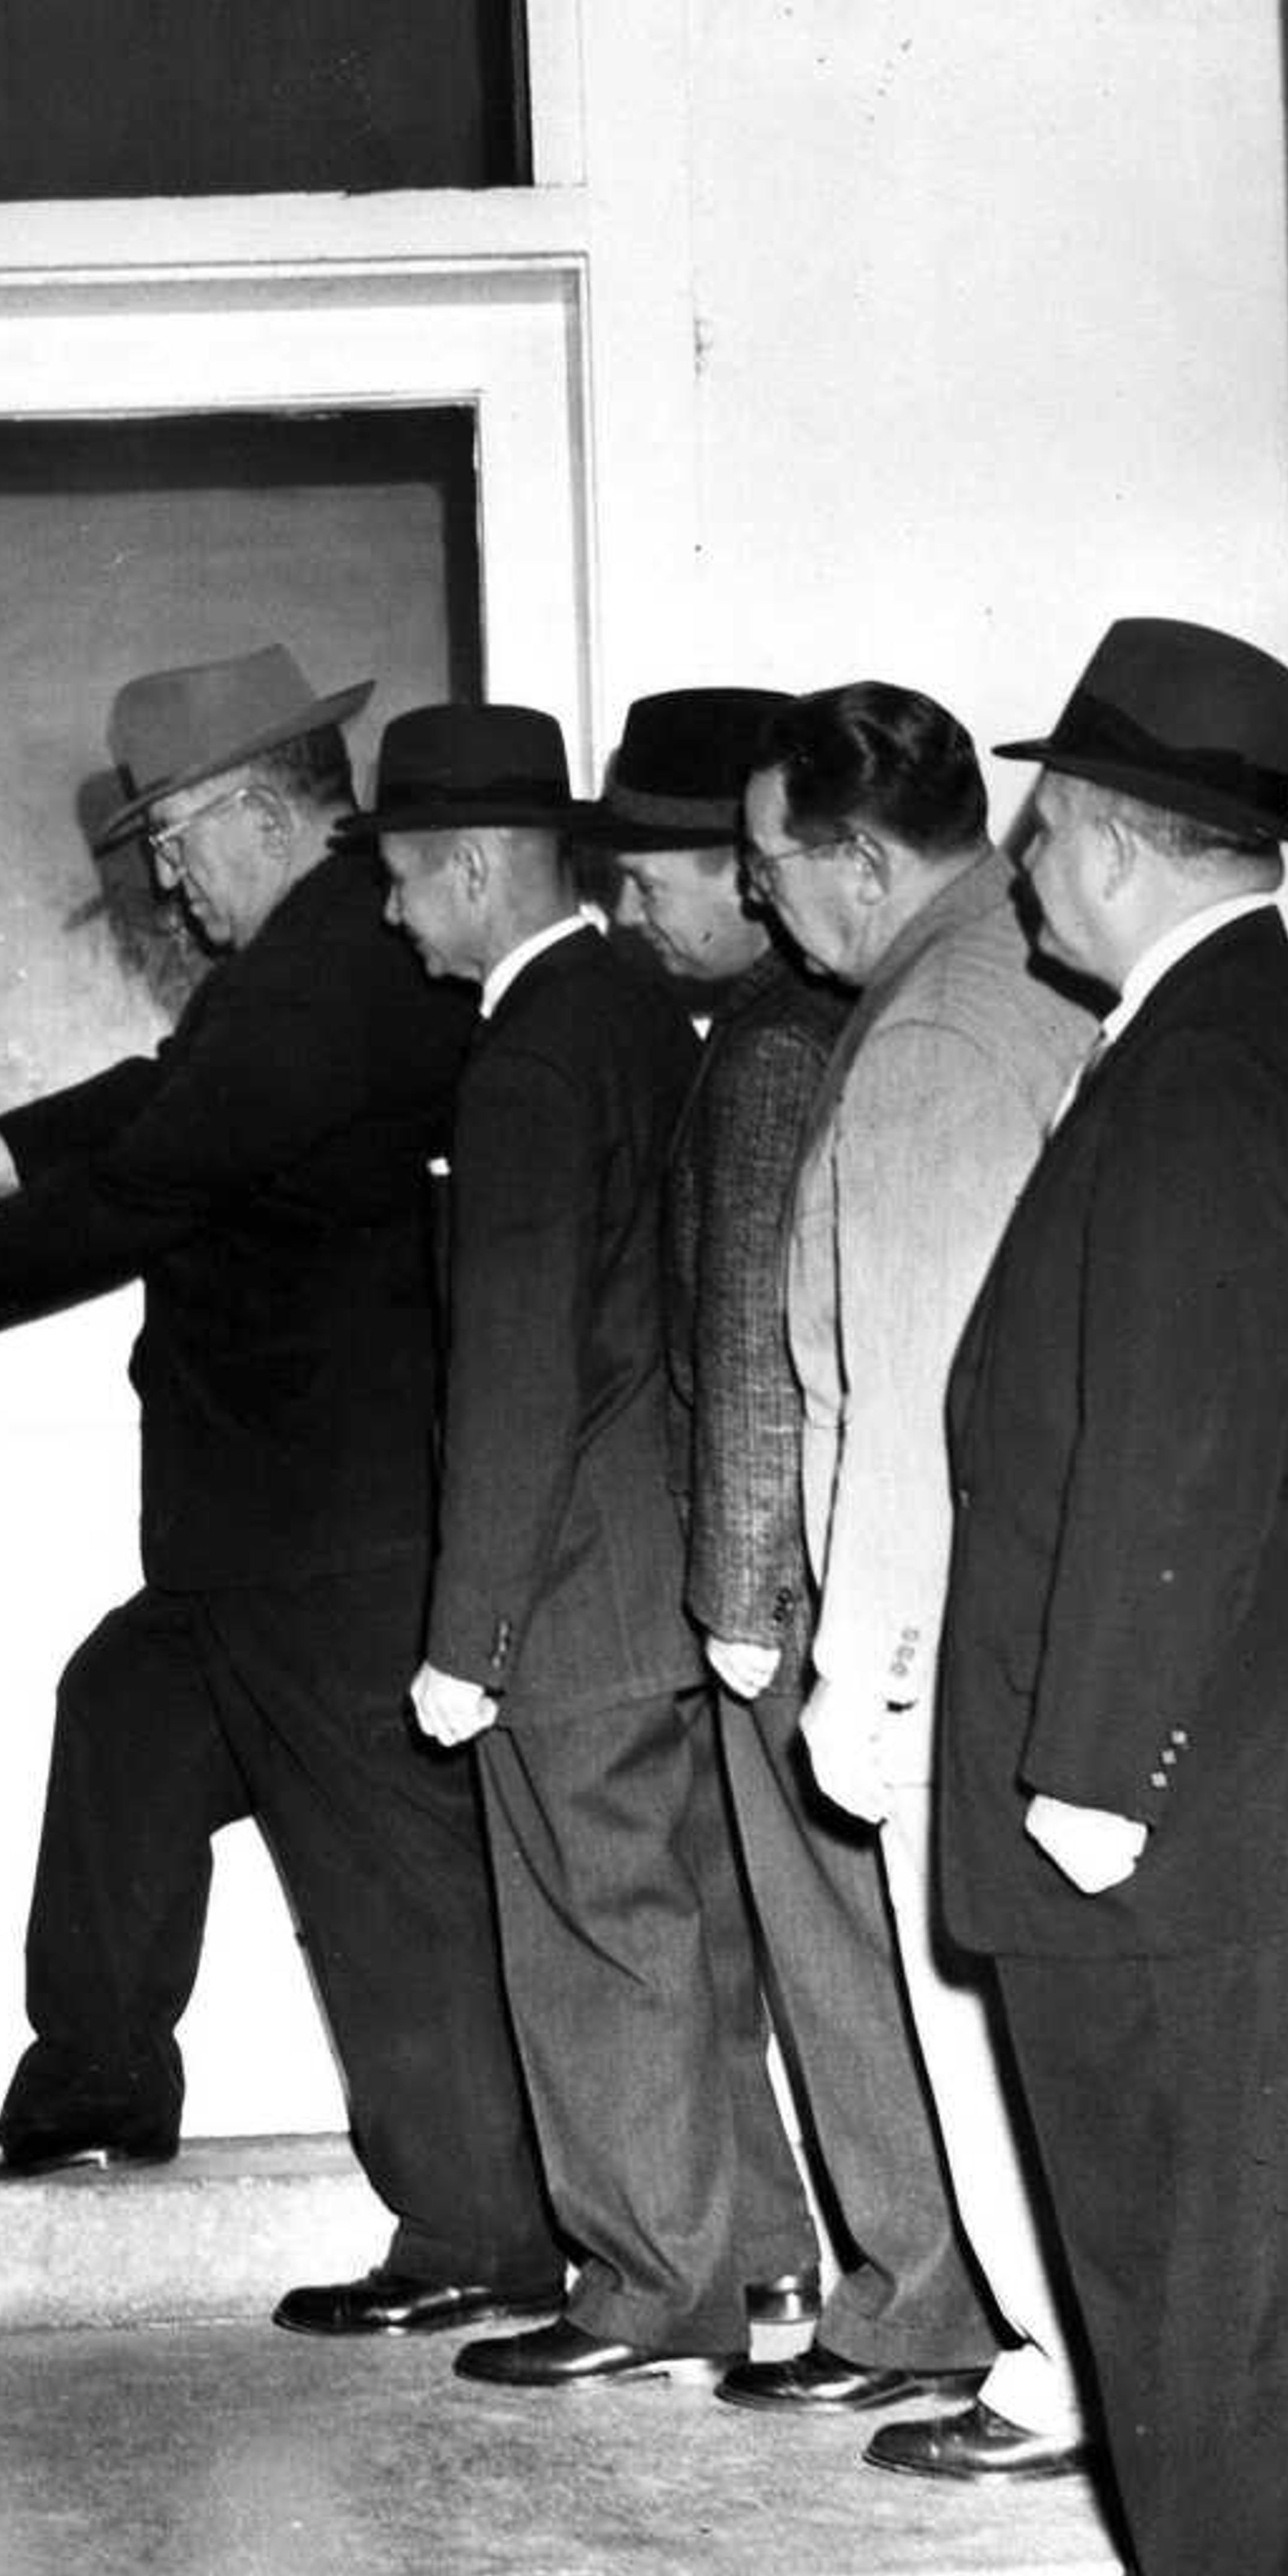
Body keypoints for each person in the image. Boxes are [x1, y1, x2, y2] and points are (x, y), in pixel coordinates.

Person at [0, 644, 563, 2338]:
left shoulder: (330, 967)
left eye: (171, 836)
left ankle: (480, 2235)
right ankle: (94, 2087)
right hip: (268, 1525)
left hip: (331, 1530)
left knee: (377, 1874)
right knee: (129, 1722)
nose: (162, 873)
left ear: (253, 810)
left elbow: (173, 1164)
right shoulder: (315, 955)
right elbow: (172, 1096)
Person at [943, 621, 1288, 2576]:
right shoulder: (1272, 1029)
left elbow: (1186, 1435)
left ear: (1115, 842)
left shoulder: (1213, 1060)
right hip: (1243, 1779)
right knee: (1211, 2277)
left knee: (1206, 2280)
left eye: (1045, 833)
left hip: (1186, 1789)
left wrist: (1099, 1765)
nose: (1025, 870)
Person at [353, 701, 802, 2389]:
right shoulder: (641, 1006)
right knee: (691, 1928)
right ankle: (753, 2259)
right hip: (666, 1566)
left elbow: (522, 1365)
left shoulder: (532, 1048)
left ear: (474, 869)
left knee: (596, 1933)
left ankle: (641, 2290)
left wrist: (468, 1639)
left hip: (572, 1584)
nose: (397, 917)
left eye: (406, 882)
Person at [594, 687, 1001, 2406]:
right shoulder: (840, 1007)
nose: (729, 906)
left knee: (842, 1961)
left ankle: (911, 2298)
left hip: (806, 1579)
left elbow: (776, 1345)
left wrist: (744, 1593)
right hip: (851, 1567)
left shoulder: (778, 1047)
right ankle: (906, 2285)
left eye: (738, 871)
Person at [721, 682, 1098, 2478]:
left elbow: (913, 1390)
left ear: (860, 860)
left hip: (951, 1622)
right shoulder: (1022, 978)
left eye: (770, 860)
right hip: (1046, 1601)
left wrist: (862, 1670)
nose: (756, 894)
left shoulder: (936, 1034)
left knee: (975, 2016)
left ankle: (1055, 2368)